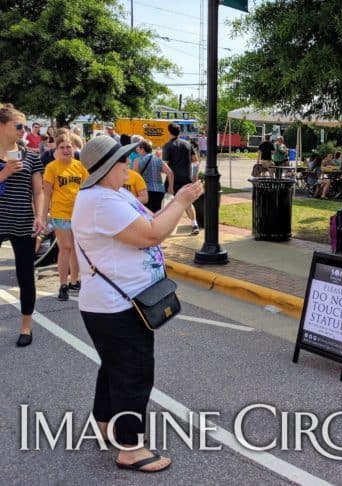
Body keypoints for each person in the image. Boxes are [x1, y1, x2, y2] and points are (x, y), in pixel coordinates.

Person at [72, 135, 203, 472]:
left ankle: (105, 425)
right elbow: (151, 234)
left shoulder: (112, 194)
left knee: (114, 367)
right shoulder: (102, 201)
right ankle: (130, 447)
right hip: (117, 305)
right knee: (133, 373)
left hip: (121, 301)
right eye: (122, 160)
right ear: (106, 168)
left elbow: (154, 223)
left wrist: (173, 206)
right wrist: (181, 199)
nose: (128, 163)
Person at [0, 104, 46, 346]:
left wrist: (40, 216)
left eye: (24, 126)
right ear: (2, 126)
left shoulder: (30, 155)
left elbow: (38, 192)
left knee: (25, 274)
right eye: (18, 126)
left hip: (22, 220)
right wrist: (5, 172)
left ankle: (26, 327)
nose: (23, 130)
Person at [42, 133, 89, 301]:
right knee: (66, 247)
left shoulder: (80, 166)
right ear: (57, 149)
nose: (65, 150)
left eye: (68, 147)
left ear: (74, 148)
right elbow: (46, 194)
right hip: (60, 213)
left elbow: (87, 190)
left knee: (77, 248)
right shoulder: (52, 168)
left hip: (79, 213)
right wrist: (42, 216)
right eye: (62, 147)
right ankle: (63, 284)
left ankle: (74, 281)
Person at [163, 123, 199, 235]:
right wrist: (194, 177)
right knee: (188, 203)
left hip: (173, 180)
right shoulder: (187, 144)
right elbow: (195, 160)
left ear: (169, 132)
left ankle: (169, 227)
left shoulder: (167, 146)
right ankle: (194, 224)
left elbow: (166, 166)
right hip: (186, 178)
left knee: (169, 203)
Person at [133, 139, 174, 212]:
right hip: (159, 190)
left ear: (142, 149)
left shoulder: (137, 161)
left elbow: (136, 177)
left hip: (145, 190)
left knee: (146, 213)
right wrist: (170, 188)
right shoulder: (158, 160)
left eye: (138, 148)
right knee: (157, 213)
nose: (137, 150)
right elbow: (170, 173)